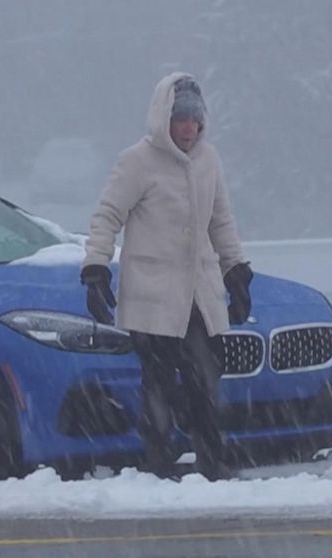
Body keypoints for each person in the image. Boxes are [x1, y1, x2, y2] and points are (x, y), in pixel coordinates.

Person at [80, 73, 253, 481]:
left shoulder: (209, 161)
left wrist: (235, 270)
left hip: (199, 295)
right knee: (158, 382)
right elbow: (107, 216)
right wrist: (95, 267)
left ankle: (212, 460)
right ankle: (158, 461)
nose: (189, 128)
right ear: (163, 119)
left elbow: (221, 220)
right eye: (180, 119)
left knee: (206, 378)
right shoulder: (137, 162)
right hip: (153, 298)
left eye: (195, 120)